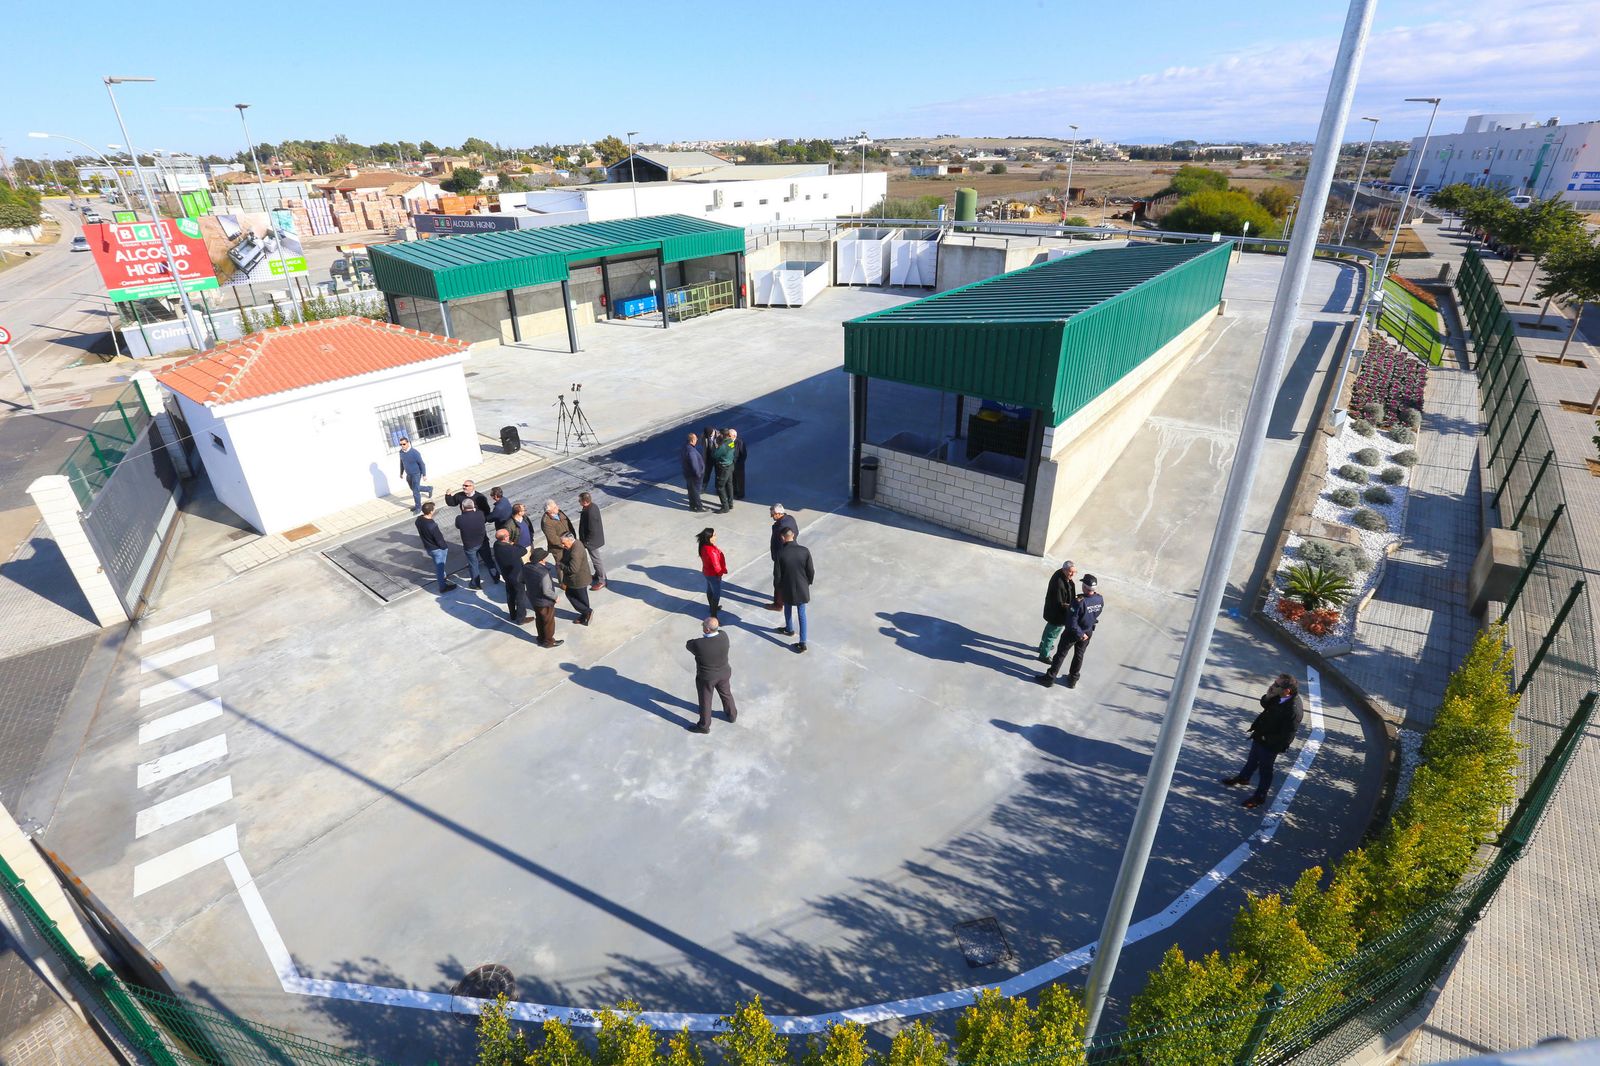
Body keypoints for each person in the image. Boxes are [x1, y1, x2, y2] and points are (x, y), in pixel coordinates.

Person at [1223, 675, 1304, 809]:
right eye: (1274, 683)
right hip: (1261, 735)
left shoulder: (1293, 710)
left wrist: (1267, 739)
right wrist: (1268, 696)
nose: (1272, 686)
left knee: (1265, 769)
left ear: (1287, 690)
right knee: (1252, 759)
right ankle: (1244, 777)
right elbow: (1265, 705)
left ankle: (1260, 797)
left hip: (1270, 744)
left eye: (1277, 685)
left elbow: (1287, 736)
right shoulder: (1278, 695)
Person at [1035, 574, 1103, 689]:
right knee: (1079, 655)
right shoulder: (1099, 599)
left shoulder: (1079, 601)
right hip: (1088, 632)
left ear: (1085, 587)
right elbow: (1096, 614)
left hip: (1073, 633)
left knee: (1060, 655)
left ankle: (1050, 678)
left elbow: (1072, 622)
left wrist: (1080, 634)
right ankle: (1073, 679)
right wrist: (1085, 631)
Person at [685, 616, 737, 733]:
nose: (702, 626)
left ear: (707, 630)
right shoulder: (724, 636)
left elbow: (688, 645)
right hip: (724, 673)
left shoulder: (699, 644)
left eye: (703, 625)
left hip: (707, 678)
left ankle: (704, 726)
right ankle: (732, 715)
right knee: (726, 694)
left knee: (706, 701)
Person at [772, 527, 814, 653]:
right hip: (802, 587)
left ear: (782, 537)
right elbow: (811, 571)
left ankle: (789, 629)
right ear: (794, 535)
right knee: (802, 614)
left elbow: (777, 575)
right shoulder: (805, 551)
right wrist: (808, 582)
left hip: (787, 587)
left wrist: (777, 588)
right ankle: (802, 642)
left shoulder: (780, 553)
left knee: (788, 608)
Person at [1037, 559, 1079, 663]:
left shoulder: (1060, 574)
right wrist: (1074, 607)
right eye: (1070, 572)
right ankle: (1044, 655)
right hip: (1058, 615)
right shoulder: (1059, 584)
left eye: (1074, 572)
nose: (1073, 574)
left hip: (1052, 612)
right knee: (1052, 634)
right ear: (1064, 570)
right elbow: (1061, 603)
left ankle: (1042, 645)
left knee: (1049, 629)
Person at [453, 498, 499, 590]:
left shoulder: (460, 519)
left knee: (473, 564)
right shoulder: (480, 514)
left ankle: (475, 583)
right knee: (489, 561)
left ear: (462, 507)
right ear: (473, 506)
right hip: (483, 542)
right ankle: (495, 577)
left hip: (470, 546)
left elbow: (458, 526)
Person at [522, 548, 563, 648]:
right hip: (545, 602)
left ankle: (541, 638)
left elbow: (521, 579)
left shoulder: (526, 567)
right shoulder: (543, 573)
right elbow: (547, 590)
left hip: (533, 599)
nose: (545, 560)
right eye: (544, 558)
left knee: (539, 619)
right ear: (540, 560)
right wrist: (556, 597)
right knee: (548, 622)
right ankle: (549, 642)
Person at [414, 501, 456, 594]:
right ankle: (443, 587)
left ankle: (444, 578)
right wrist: (445, 547)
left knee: (439, 566)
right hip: (437, 549)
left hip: (429, 548)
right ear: (431, 511)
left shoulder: (418, 520)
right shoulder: (432, 525)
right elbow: (439, 539)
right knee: (440, 568)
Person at [764, 504, 799, 611]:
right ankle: (783, 598)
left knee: (778, 580)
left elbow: (780, 543)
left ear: (779, 513)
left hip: (782, 557)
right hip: (791, 552)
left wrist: (777, 556)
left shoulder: (781, 526)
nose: (771, 517)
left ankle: (778, 604)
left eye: (773, 514)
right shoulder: (790, 518)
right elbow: (796, 532)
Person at [491, 529, 528, 623]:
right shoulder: (509, 549)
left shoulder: (496, 545)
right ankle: (521, 618)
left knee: (510, 595)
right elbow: (523, 550)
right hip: (516, 576)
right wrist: (514, 544)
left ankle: (513, 614)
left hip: (507, 574)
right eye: (508, 535)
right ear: (505, 537)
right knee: (520, 596)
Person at [557, 532, 594, 625]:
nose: (562, 545)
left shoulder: (575, 551)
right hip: (577, 579)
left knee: (573, 595)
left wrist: (560, 565)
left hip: (578, 580)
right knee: (581, 598)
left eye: (563, 543)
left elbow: (573, 569)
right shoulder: (574, 544)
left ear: (570, 540)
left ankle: (587, 612)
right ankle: (585, 613)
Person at [578, 491, 606, 591]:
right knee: (596, 559)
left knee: (596, 560)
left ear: (585, 501)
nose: (579, 502)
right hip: (593, 540)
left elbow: (592, 530)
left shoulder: (590, 512)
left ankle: (602, 580)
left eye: (580, 500)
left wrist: (587, 543)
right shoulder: (592, 506)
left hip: (592, 541)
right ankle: (599, 574)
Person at [697, 527, 728, 617]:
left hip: (707, 572)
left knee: (710, 590)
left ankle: (712, 607)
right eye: (714, 535)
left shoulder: (703, 546)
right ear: (709, 538)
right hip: (714, 575)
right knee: (716, 595)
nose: (716, 537)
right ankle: (713, 616)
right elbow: (716, 566)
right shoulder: (711, 551)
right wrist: (720, 574)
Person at [397, 437, 431, 513]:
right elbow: (401, 463)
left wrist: (424, 475)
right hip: (408, 475)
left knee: (415, 491)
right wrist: (401, 473)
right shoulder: (401, 452)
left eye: (404, 444)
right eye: (401, 444)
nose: (402, 446)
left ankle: (418, 507)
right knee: (414, 488)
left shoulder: (414, 452)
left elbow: (422, 464)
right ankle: (429, 489)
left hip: (416, 474)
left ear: (408, 443)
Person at [541, 499, 576, 567]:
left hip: (570, 542)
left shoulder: (559, 512)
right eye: (555, 507)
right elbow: (552, 538)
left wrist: (573, 537)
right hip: (559, 548)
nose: (558, 507)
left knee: (573, 563)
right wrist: (565, 544)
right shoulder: (546, 522)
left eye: (556, 505)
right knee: (561, 567)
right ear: (549, 511)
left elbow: (569, 524)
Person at [712, 431, 737, 513]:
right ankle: (730, 503)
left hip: (724, 468)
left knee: (720, 486)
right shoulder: (730, 442)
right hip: (731, 465)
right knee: (729, 484)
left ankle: (725, 506)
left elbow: (715, 455)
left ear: (723, 435)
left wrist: (716, 446)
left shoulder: (723, 446)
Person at [682, 432, 706, 512]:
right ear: (692, 440)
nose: (697, 440)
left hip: (688, 473)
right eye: (695, 439)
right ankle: (699, 507)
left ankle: (692, 506)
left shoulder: (686, 448)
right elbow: (694, 464)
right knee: (696, 491)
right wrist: (698, 473)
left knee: (691, 490)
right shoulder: (691, 451)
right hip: (694, 475)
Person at [727, 427, 749, 500]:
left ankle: (741, 494)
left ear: (734, 436)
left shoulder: (740, 442)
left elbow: (744, 455)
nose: (728, 437)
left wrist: (739, 464)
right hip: (731, 464)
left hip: (738, 465)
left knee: (740, 480)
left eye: (729, 436)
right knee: (733, 479)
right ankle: (734, 491)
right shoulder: (729, 442)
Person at [701, 426, 720, 490]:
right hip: (709, 457)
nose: (708, 437)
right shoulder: (705, 435)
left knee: (718, 473)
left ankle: (717, 487)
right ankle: (704, 486)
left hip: (717, 457)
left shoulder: (719, 435)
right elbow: (702, 444)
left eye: (710, 436)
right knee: (707, 472)